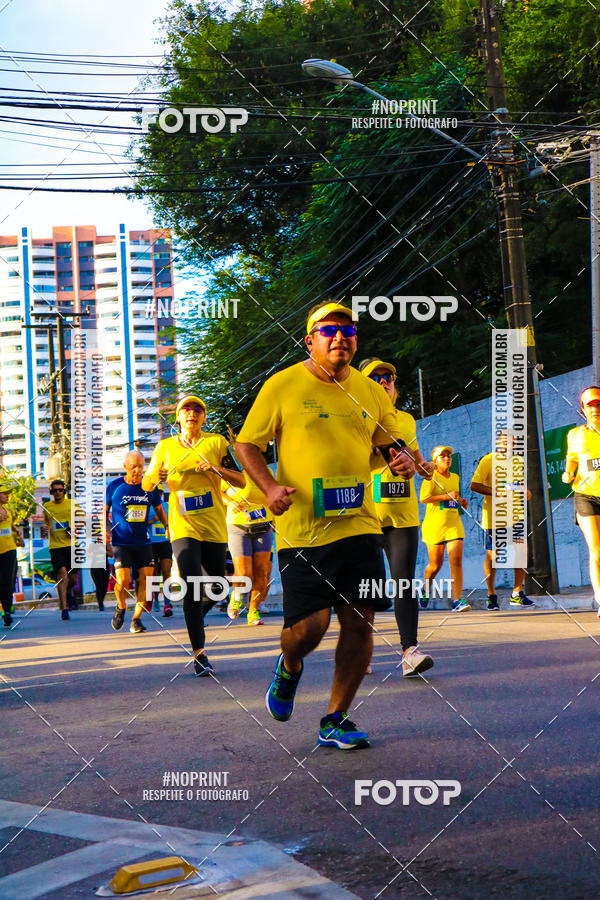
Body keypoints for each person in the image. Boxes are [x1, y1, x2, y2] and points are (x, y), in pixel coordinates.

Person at [236, 301, 416, 750]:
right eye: (329, 330)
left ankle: (336, 718)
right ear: (310, 341)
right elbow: (247, 445)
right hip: (302, 529)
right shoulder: (282, 385)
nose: (340, 338)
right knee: (309, 629)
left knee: (360, 621)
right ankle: (289, 665)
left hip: (359, 523)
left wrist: (400, 459)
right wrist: (269, 487)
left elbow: (387, 443)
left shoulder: (370, 391)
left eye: (348, 331)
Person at [142, 395, 245, 675]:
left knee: (216, 587)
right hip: (182, 526)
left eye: (198, 409)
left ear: (204, 416)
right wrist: (156, 477)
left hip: (213, 526)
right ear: (178, 417)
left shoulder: (216, 443)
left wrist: (215, 468)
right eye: (186, 409)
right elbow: (147, 484)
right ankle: (200, 655)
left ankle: (194, 616)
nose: (192, 413)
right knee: (191, 585)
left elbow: (240, 480)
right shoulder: (165, 447)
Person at [359, 358, 434, 677]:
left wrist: (424, 468)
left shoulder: (406, 420)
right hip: (366, 515)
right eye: (375, 378)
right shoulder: (355, 418)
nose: (383, 382)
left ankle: (409, 652)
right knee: (367, 587)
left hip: (403, 515)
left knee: (404, 581)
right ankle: (360, 650)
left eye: (387, 376)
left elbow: (416, 461)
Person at [107, 451, 168, 634]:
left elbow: (159, 509)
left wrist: (167, 526)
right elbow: (104, 511)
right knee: (123, 580)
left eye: (140, 466)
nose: (137, 470)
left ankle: (136, 619)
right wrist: (105, 531)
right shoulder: (115, 486)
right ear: (125, 466)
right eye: (133, 466)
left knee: (146, 581)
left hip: (143, 542)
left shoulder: (149, 486)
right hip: (121, 541)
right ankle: (121, 606)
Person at [470, 431, 533, 609]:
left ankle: (517, 593)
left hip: (515, 516)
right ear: (498, 443)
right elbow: (474, 485)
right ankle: (491, 595)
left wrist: (526, 492)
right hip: (494, 518)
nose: (509, 445)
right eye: (505, 441)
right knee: (493, 556)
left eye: (512, 442)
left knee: (522, 551)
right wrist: (495, 492)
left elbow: (520, 486)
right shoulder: (488, 460)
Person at [562, 386, 600, 618]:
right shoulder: (575, 435)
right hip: (586, 495)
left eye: (598, 404)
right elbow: (572, 459)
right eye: (590, 405)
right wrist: (568, 473)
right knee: (596, 549)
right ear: (583, 409)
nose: (594, 409)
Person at [420, 446, 470, 611]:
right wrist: (447, 496)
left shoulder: (455, 477)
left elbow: (453, 498)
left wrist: (461, 502)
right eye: (442, 456)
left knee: (456, 561)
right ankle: (425, 588)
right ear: (435, 460)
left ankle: (457, 601)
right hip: (434, 526)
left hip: (453, 524)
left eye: (448, 456)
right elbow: (424, 498)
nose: (447, 459)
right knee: (435, 565)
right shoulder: (431, 477)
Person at [223, 471, 273, 626]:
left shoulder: (266, 472)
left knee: (262, 571)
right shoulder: (231, 472)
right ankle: (236, 597)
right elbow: (217, 491)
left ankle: (253, 611)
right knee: (245, 572)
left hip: (264, 525)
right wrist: (229, 501)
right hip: (238, 526)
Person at [42, 479, 76, 621]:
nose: (58, 492)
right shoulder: (47, 506)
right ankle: (64, 608)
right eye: (55, 490)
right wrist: (45, 530)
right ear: (51, 492)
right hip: (56, 547)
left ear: (64, 491)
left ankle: (66, 592)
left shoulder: (72, 504)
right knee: (62, 574)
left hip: (72, 545)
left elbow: (82, 521)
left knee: (72, 579)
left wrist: (73, 529)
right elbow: (45, 525)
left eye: (60, 490)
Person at [0, 481, 23, 627]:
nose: (7, 496)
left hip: (9, 549)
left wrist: (17, 532)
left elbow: (11, 527)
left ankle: (7, 611)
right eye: (4, 493)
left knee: (8, 581)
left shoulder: (8, 512)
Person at [148, 488, 174, 617]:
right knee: (154, 574)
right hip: (151, 543)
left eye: (159, 493)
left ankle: (167, 602)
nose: (157, 495)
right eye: (155, 493)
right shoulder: (147, 507)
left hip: (165, 542)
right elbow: (140, 523)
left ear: (162, 494)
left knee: (166, 571)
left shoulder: (167, 507)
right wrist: (152, 520)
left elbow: (174, 523)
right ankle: (156, 599)